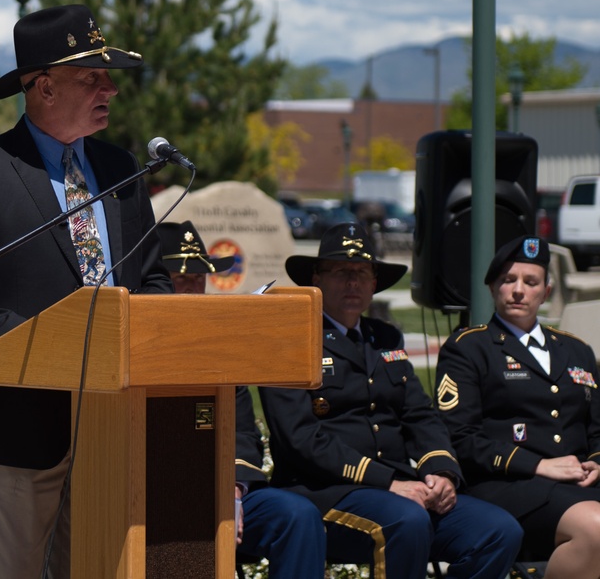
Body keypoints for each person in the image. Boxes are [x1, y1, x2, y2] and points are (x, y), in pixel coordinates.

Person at [0, 4, 173, 579]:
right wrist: (39, 346)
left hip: (115, 421)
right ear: (42, 86)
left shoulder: (122, 170)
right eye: (92, 77)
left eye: (108, 76)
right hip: (17, 423)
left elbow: (154, 279)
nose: (110, 88)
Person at [256, 222, 522, 579]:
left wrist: (440, 471)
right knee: (406, 521)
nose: (353, 282)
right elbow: (299, 438)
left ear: (374, 284)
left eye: (363, 273)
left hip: (399, 490)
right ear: (316, 280)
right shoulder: (288, 340)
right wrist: (387, 482)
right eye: (341, 272)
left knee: (497, 531)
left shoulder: (384, 337)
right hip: (322, 494)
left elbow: (419, 415)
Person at [156, 220, 327, 578]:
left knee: (296, 516)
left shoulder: (222, 346)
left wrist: (232, 490)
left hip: (224, 485)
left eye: (198, 279)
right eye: (180, 278)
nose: (191, 289)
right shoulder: (141, 348)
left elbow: (244, 435)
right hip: (158, 488)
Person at [436, 235, 600, 578]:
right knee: (596, 527)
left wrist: (597, 464)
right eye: (508, 280)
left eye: (530, 282)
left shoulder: (577, 351)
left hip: (578, 485)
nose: (518, 291)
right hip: (509, 485)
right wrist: (540, 465)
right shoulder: (469, 348)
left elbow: (597, 429)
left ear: (547, 291)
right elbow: (460, 437)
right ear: (493, 287)